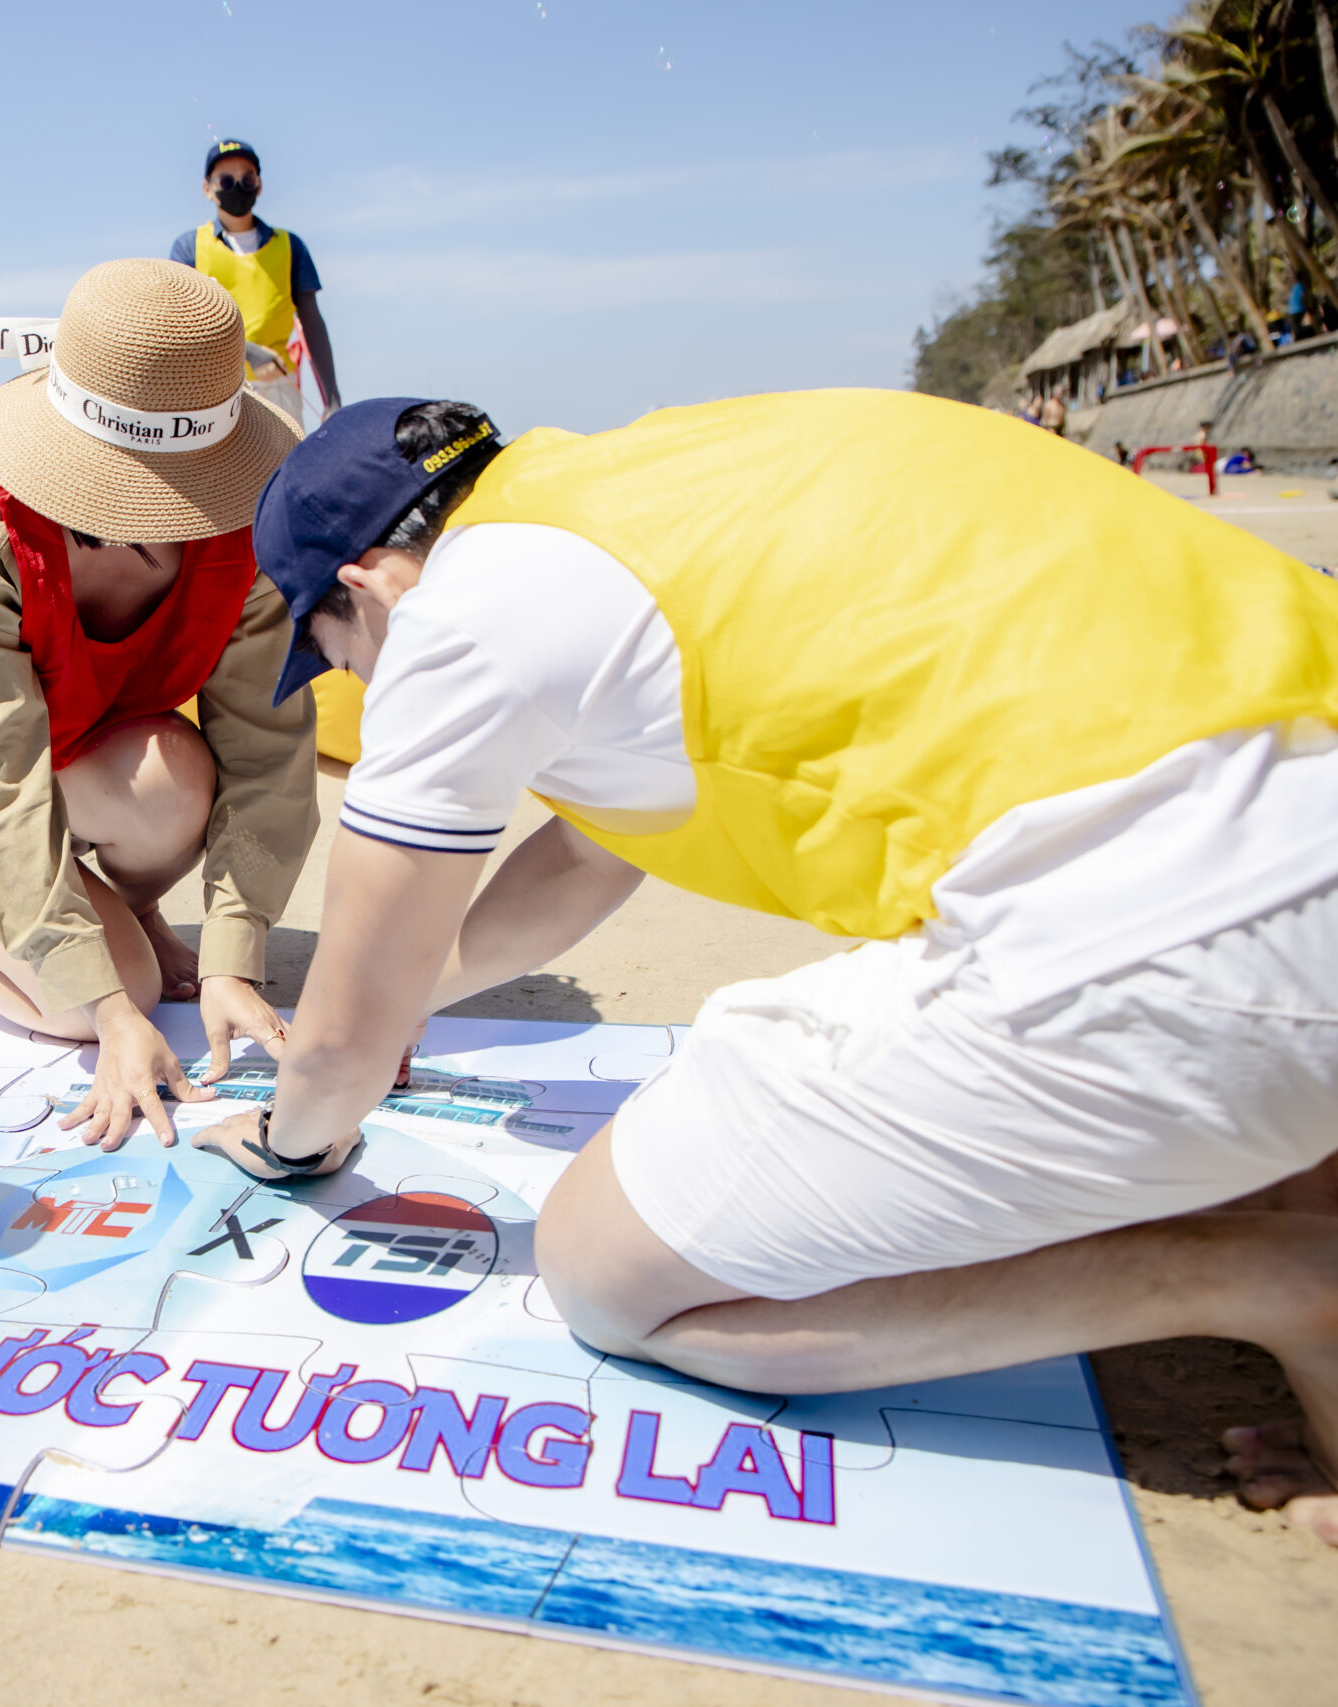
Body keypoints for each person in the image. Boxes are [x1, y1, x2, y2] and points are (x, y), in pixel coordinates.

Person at [198, 390, 1338, 1545]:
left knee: (607, 1273)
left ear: (368, 586)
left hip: (1183, 937)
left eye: (338, 658)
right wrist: (406, 1006)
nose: (358, 684)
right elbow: (589, 858)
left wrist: (295, 1136)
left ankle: (1268, 1285)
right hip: (1298, 774)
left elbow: (336, 1043)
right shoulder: (647, 494)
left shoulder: (458, 614)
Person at [0, 258, 316, 1147]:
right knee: (104, 994)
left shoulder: (245, 532)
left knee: (176, 779)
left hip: (74, 742)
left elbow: (267, 748)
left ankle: (126, 911)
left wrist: (235, 959)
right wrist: (112, 1010)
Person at [168, 139, 340, 426]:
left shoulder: (290, 245)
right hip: (211, 389)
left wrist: (332, 401)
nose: (237, 185)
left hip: (280, 386)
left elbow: (312, 321)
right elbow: (181, 322)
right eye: (226, 179)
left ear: (259, 184)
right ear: (207, 188)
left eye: (246, 178)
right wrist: (246, 351)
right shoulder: (189, 248)